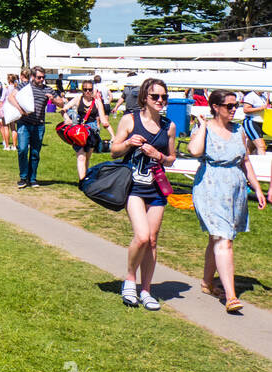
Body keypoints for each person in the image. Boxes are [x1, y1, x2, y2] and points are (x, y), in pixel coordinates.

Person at [190, 90, 267, 312]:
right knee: (224, 239)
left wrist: (257, 188)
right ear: (215, 107)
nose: (234, 109)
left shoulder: (239, 130)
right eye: (229, 106)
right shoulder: (205, 128)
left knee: (218, 236)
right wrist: (203, 126)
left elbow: (245, 162)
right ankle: (231, 296)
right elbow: (194, 151)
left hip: (235, 189)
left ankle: (207, 281)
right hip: (211, 186)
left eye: (236, 105)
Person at [110, 77, 177, 311]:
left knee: (152, 240)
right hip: (135, 187)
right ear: (144, 99)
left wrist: (158, 156)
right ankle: (130, 280)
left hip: (157, 189)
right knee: (141, 236)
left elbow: (171, 158)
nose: (160, 101)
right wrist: (128, 142)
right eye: (155, 97)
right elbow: (113, 152)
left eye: (164, 97)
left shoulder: (169, 126)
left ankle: (147, 289)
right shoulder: (130, 120)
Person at [15, 66, 63, 188]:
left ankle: (32, 178)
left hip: (39, 125)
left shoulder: (48, 89)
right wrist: (20, 110)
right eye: (39, 77)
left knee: (35, 152)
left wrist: (53, 99)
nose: (41, 79)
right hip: (24, 123)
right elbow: (11, 97)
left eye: (43, 77)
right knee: (22, 149)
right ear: (32, 77)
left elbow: (61, 103)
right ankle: (23, 177)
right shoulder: (24, 86)